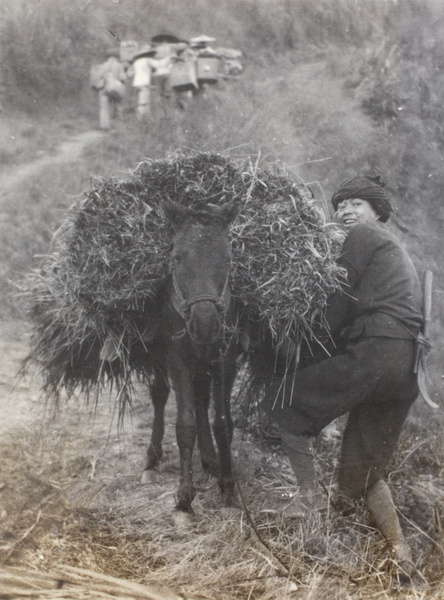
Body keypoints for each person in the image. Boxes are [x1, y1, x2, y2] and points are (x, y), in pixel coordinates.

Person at [263, 175, 423, 582]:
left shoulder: (365, 237)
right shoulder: (396, 252)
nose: (345, 212)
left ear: (376, 213)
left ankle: (309, 502)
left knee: (285, 399)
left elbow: (338, 299)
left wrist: (300, 345)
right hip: (404, 367)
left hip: (374, 352)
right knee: (366, 468)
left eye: (356, 204)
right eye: (341, 205)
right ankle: (399, 550)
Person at [90, 49, 127, 130]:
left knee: (104, 108)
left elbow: (97, 78)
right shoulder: (118, 65)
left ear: (108, 57)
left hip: (103, 88)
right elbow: (123, 78)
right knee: (118, 106)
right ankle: (118, 126)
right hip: (114, 89)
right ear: (116, 57)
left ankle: (104, 126)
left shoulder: (102, 65)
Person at [128, 45, 157, 121]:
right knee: (144, 102)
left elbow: (130, 74)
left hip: (136, 83)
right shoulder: (148, 60)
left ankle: (146, 118)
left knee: (141, 100)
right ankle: (142, 118)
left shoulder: (136, 62)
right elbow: (156, 68)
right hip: (144, 83)